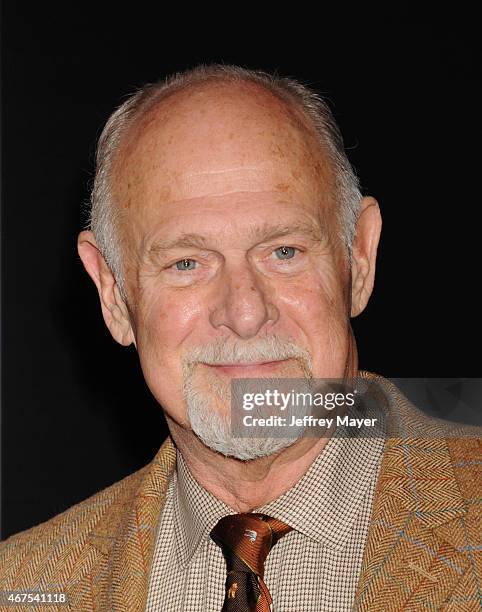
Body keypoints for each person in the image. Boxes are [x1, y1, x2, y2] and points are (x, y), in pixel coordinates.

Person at [0, 64, 480, 612]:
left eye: (284, 252)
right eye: (187, 262)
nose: (245, 314)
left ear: (360, 258)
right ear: (112, 293)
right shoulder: (21, 587)